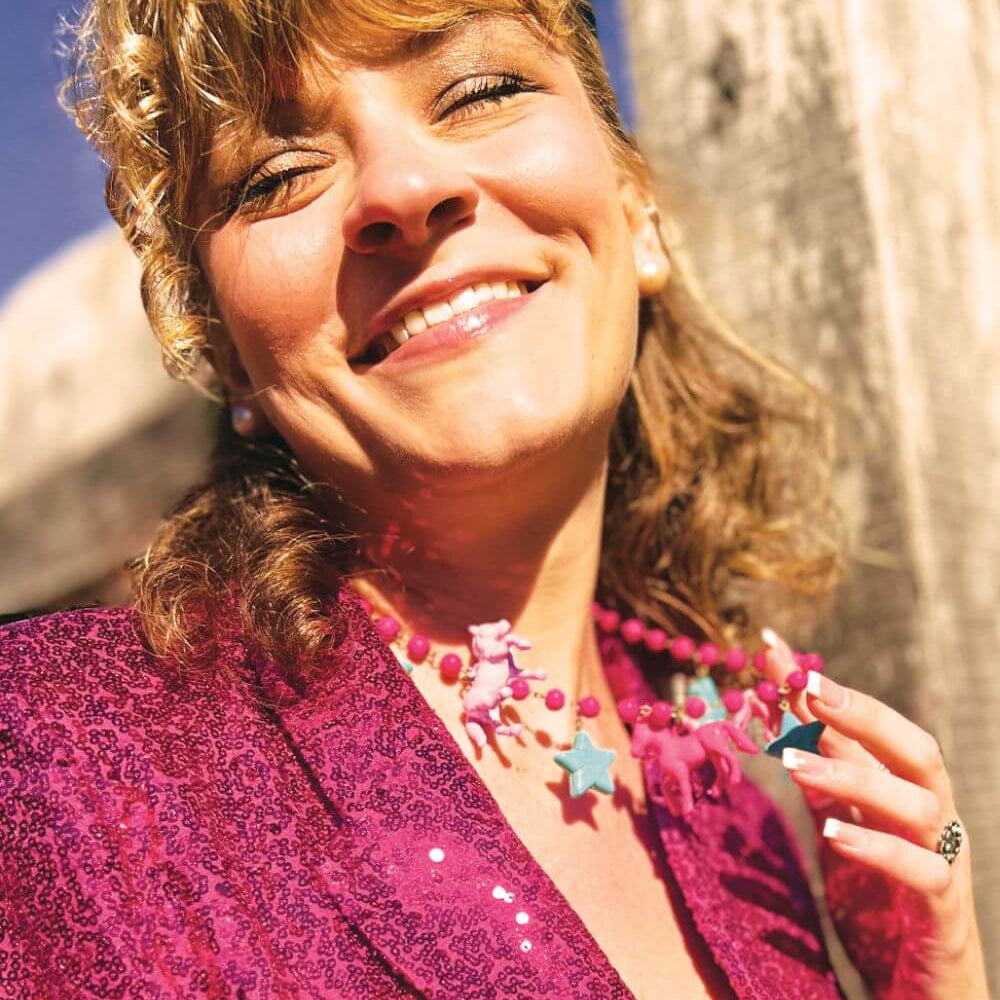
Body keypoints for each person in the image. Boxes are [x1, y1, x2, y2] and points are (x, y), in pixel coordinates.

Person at [0, 1, 989, 997]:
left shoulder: (742, 824)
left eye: (480, 90)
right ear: (228, 359)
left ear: (637, 214)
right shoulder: (49, 759)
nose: (406, 186)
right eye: (280, 175)